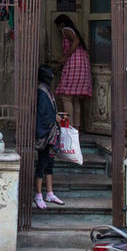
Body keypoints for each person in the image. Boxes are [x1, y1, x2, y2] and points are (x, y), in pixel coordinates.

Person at [33, 65, 64, 210]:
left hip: (51, 133)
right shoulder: (41, 91)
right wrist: (55, 118)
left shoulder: (46, 90)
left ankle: (50, 192)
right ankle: (38, 194)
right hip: (45, 134)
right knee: (42, 164)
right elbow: (43, 113)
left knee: (49, 164)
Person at [53, 14, 92, 127]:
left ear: (61, 24)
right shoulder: (73, 30)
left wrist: (65, 57)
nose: (58, 30)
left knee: (66, 97)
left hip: (74, 64)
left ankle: (68, 127)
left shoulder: (66, 30)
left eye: (58, 27)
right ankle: (76, 128)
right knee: (75, 98)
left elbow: (76, 41)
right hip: (82, 64)